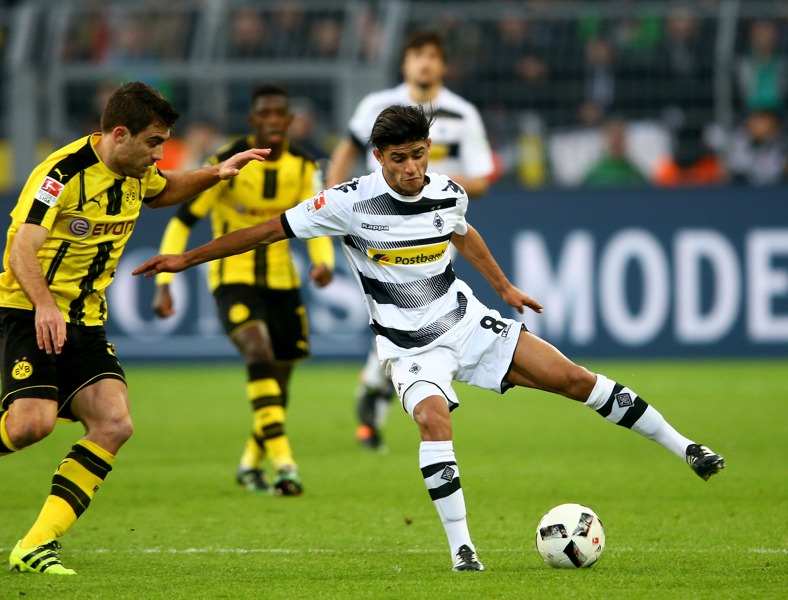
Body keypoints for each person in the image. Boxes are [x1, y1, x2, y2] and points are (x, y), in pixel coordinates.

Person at [133, 104, 726, 572]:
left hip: (468, 323)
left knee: (576, 380)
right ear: (378, 158)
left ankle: (689, 449)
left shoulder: (447, 190)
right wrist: (187, 259)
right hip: (409, 347)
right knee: (434, 421)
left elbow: (463, 233)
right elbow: (266, 230)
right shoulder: (347, 203)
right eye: (399, 158)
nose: (412, 168)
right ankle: (462, 549)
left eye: (418, 155)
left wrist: (505, 287)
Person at [0, 81, 268, 575]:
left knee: (115, 424)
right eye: (154, 142)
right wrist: (44, 306)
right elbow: (21, 249)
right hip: (27, 310)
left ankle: (36, 544)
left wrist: (215, 174)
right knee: (31, 425)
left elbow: (165, 191)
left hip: (86, 319)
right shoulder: (60, 175)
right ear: (120, 134)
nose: (159, 152)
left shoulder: (136, 171)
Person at [151, 83, 334, 496]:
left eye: (279, 115)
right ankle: (286, 465)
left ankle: (250, 464)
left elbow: (319, 222)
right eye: (264, 115)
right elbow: (183, 221)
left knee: (279, 383)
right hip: (232, 278)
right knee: (257, 351)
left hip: (283, 282)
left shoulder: (306, 167)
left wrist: (325, 262)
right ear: (253, 122)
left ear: (289, 121)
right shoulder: (227, 162)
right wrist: (166, 282)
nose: (272, 122)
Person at [327, 29, 495, 452]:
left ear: (442, 65)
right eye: (417, 55)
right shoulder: (374, 106)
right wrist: (329, 200)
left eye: (433, 56)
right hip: (379, 226)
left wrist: (434, 188)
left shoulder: (462, 114)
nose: (425, 63)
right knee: (406, 313)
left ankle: (373, 389)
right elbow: (345, 151)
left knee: (419, 317)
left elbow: (484, 176)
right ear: (405, 63)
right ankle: (377, 394)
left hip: (435, 228)